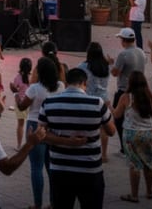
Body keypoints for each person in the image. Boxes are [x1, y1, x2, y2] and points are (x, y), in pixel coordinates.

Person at [39, 68, 117, 209]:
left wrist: (65, 141)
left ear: (66, 82)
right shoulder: (97, 103)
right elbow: (111, 131)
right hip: (90, 170)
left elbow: (41, 134)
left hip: (60, 169)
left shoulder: (49, 103)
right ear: (84, 83)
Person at [16, 57, 64, 209]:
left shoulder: (35, 88)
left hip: (35, 125)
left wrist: (17, 96)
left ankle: (37, 204)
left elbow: (23, 106)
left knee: (36, 167)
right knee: (52, 167)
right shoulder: (61, 86)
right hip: (53, 126)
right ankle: (54, 202)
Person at [111, 71, 152, 203]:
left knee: (134, 165)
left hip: (131, 134)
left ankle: (134, 195)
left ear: (130, 83)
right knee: (148, 164)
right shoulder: (150, 97)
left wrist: (109, 106)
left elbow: (116, 115)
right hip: (147, 133)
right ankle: (149, 192)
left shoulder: (126, 97)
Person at [110, 28, 146, 154]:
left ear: (123, 40)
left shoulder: (123, 54)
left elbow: (115, 73)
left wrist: (110, 64)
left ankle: (124, 148)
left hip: (124, 91)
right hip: (140, 90)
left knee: (119, 119)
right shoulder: (141, 52)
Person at [79, 42, 111, 161]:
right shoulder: (106, 66)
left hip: (89, 99)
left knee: (86, 127)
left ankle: (85, 150)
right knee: (104, 128)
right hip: (104, 99)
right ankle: (104, 155)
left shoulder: (84, 66)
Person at [9, 58, 32, 150]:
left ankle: (19, 146)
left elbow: (15, 89)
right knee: (30, 125)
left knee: (20, 125)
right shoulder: (33, 77)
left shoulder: (18, 77)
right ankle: (30, 145)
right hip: (30, 103)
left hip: (20, 104)